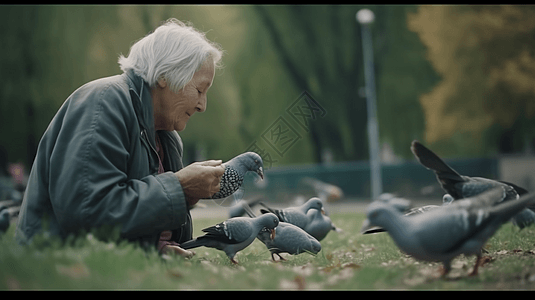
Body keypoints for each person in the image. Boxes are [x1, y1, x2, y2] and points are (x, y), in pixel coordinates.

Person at [15, 19, 225, 257]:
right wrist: (179, 188)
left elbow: (135, 227)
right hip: (57, 267)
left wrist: (164, 247)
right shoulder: (103, 103)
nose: (202, 105)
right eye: (199, 90)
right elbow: (87, 213)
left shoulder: (168, 138)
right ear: (165, 75)